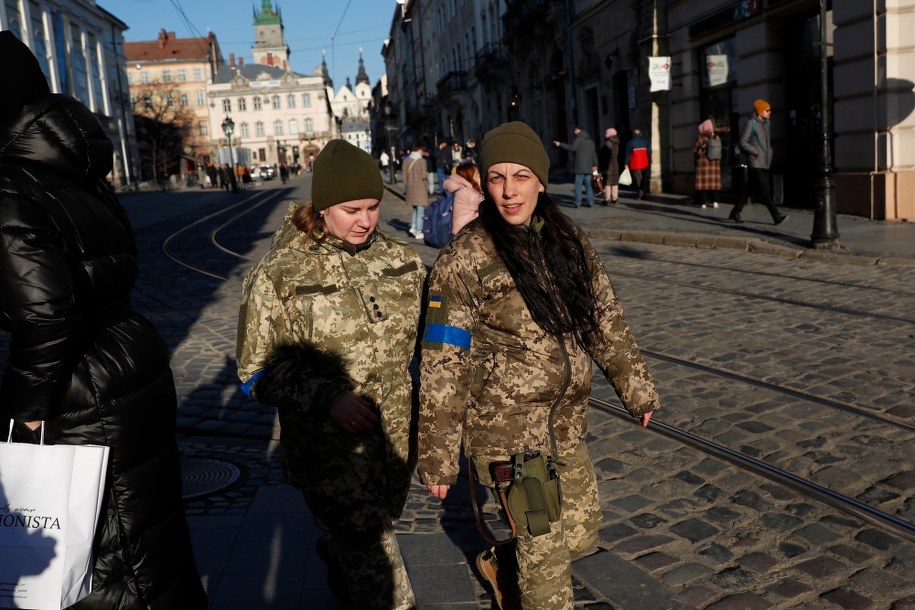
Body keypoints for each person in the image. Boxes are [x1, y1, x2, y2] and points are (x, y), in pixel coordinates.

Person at [0, 31, 208, 609]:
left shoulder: (8, 185)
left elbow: (45, 317)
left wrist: (23, 412)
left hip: (77, 390)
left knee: (109, 563)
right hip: (128, 361)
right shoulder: (74, 169)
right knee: (148, 537)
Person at [417, 121, 660, 609]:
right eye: (497, 178)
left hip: (564, 422)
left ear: (541, 181)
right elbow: (443, 360)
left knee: (580, 533)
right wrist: (438, 455)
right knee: (546, 565)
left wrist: (635, 387)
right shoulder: (463, 259)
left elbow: (603, 317)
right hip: (507, 432)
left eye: (521, 176)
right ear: (484, 184)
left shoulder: (568, 239)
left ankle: (505, 562)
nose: (509, 191)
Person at [236, 139, 425, 610]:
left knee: (369, 535)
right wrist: (328, 396)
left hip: (395, 443)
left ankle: (342, 557)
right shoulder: (279, 273)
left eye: (373, 207)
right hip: (330, 453)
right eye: (351, 210)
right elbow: (256, 371)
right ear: (322, 208)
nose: (365, 221)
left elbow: (434, 341)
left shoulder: (401, 260)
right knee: (383, 576)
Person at [729, 99, 789, 225]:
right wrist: (755, 152)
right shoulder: (751, 124)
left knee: (749, 189)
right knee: (765, 190)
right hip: (755, 162)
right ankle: (776, 216)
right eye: (767, 110)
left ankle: (735, 211)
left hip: (765, 162)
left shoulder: (767, 124)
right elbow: (743, 142)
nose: (770, 112)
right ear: (760, 112)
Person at [553, 126, 598, 207]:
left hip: (580, 166)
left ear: (579, 130)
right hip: (589, 166)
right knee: (588, 184)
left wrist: (560, 144)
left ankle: (577, 202)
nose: (574, 132)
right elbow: (594, 154)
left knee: (578, 185)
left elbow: (572, 148)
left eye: (576, 130)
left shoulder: (578, 139)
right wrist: (595, 164)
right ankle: (591, 202)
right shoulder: (590, 141)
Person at [445, 160, 484, 234]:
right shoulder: (466, 192)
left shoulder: (462, 189)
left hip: (462, 230)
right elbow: (485, 205)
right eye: (477, 175)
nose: (480, 177)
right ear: (470, 177)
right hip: (464, 232)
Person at [693, 119, 722, 209]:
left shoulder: (702, 137)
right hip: (715, 164)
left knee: (703, 185)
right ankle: (715, 202)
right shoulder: (716, 137)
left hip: (704, 164)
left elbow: (695, 149)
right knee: (714, 184)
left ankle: (703, 203)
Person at [403, 143, 429, 238]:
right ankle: (418, 231)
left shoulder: (406, 160)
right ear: (419, 150)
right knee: (420, 210)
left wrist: (407, 185)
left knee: (415, 209)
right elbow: (423, 175)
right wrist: (427, 174)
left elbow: (404, 176)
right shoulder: (422, 161)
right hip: (420, 188)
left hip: (410, 188)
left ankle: (413, 228)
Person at [624, 128, 651, 200]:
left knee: (638, 180)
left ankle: (640, 194)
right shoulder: (645, 142)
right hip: (645, 163)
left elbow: (628, 154)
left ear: (633, 135)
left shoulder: (630, 143)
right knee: (643, 179)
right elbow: (649, 152)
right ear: (640, 134)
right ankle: (643, 194)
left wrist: (626, 163)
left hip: (635, 164)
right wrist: (649, 161)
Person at [598, 127, 621, 204]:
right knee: (614, 182)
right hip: (615, 164)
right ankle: (615, 198)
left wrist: (601, 166)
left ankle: (607, 199)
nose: (605, 135)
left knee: (607, 182)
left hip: (608, 165)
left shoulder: (607, 144)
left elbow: (603, 156)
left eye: (606, 134)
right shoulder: (616, 143)